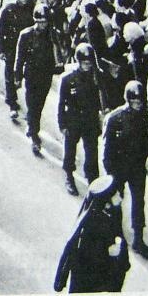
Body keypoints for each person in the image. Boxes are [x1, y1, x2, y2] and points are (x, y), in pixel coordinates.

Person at [102, 81, 148, 259]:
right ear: (128, 100)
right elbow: (107, 150)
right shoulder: (115, 118)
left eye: (140, 101)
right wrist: (110, 173)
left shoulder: (144, 118)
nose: (138, 105)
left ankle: (138, 238)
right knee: (116, 201)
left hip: (137, 166)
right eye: (134, 101)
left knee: (139, 202)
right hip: (119, 166)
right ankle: (116, 235)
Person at [54, 176, 130, 293]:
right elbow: (74, 251)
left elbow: (120, 237)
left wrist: (122, 259)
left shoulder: (115, 212)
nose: (120, 198)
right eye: (116, 195)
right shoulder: (90, 224)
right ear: (106, 201)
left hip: (109, 279)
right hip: (89, 281)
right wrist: (110, 254)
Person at [58, 43, 103, 196]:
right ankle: (69, 176)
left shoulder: (96, 78)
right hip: (73, 119)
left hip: (90, 120)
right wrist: (62, 124)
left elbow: (101, 99)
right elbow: (61, 104)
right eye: (84, 63)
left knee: (92, 152)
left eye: (89, 63)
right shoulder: (68, 79)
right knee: (70, 150)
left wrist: (99, 121)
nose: (87, 65)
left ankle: (92, 179)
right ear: (78, 61)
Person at [14, 4, 57, 157]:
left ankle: (32, 125)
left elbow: (58, 55)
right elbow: (19, 58)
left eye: (44, 22)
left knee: (39, 104)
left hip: (46, 75)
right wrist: (17, 77)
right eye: (39, 21)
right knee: (32, 104)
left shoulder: (52, 35)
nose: (42, 25)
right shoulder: (26, 35)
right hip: (31, 75)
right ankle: (34, 134)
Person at [0, 0, 35, 118]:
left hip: (27, 48)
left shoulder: (32, 10)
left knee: (28, 76)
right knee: (10, 75)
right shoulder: (8, 9)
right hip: (11, 47)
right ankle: (12, 102)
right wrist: (1, 50)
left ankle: (31, 107)